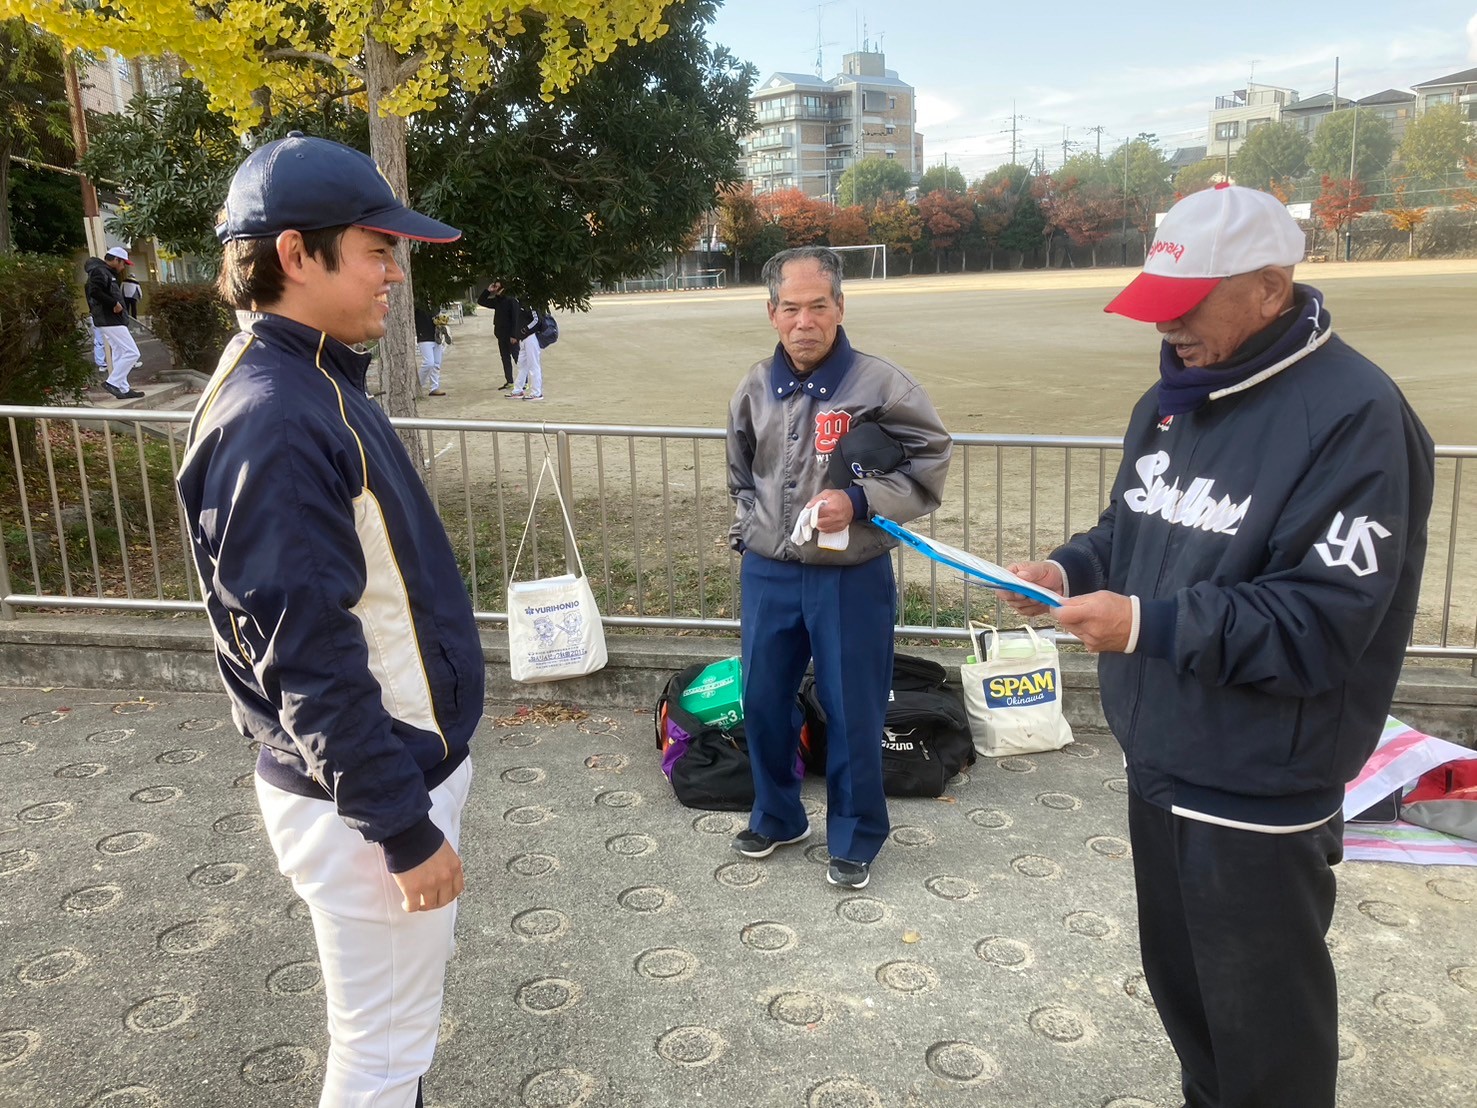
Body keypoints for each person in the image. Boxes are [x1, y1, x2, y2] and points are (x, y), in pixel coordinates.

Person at [999, 184, 1434, 1108]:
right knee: (1191, 1008)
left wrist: (1144, 625)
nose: (1169, 329)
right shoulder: (1174, 399)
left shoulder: (1355, 416)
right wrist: (1063, 572)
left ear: (1271, 289)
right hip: (1157, 754)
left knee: (1264, 1035)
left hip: (1255, 782)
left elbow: (1322, 624)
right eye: (1159, 306)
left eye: (1187, 305)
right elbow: (1133, 530)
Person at [175, 132, 484, 1108]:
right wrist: (401, 826)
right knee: (381, 1060)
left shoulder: (311, 380)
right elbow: (304, 654)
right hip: (366, 796)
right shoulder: (276, 413)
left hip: (373, 780)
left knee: (393, 1045)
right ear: (296, 254)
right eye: (375, 246)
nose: (394, 268)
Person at [726, 245, 952, 890]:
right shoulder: (753, 386)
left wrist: (856, 502)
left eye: (818, 306)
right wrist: (755, 528)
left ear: (840, 307)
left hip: (853, 576)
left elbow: (929, 465)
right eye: (791, 308)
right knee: (763, 700)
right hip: (770, 573)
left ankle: (855, 836)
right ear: (772, 313)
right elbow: (741, 474)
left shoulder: (882, 385)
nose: (805, 321)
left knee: (853, 707)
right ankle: (777, 815)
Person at [83, 245, 143, 399]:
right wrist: (113, 304)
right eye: (123, 263)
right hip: (109, 318)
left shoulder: (104, 272)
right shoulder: (100, 272)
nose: (123, 267)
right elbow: (94, 292)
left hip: (109, 319)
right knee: (132, 352)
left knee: (119, 352)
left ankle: (123, 388)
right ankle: (113, 382)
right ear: (116, 260)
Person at [476, 279, 519, 389]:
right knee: (505, 358)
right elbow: (481, 301)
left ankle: (525, 381)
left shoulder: (511, 300)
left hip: (511, 335)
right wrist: (488, 291)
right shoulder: (497, 301)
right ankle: (510, 382)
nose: (496, 290)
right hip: (501, 335)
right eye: (495, 287)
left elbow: (515, 318)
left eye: (497, 288)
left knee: (517, 358)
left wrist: (514, 335)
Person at [507, 302, 544, 400]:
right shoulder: (519, 302)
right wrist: (518, 335)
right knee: (522, 365)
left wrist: (525, 330)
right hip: (523, 339)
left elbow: (537, 320)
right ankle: (518, 390)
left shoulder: (529, 302)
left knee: (533, 365)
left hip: (531, 337)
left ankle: (536, 393)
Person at [414, 304, 445, 396]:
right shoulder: (418, 304)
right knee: (428, 363)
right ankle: (418, 385)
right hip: (424, 336)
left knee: (436, 363)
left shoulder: (435, 303)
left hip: (436, 336)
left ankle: (434, 387)